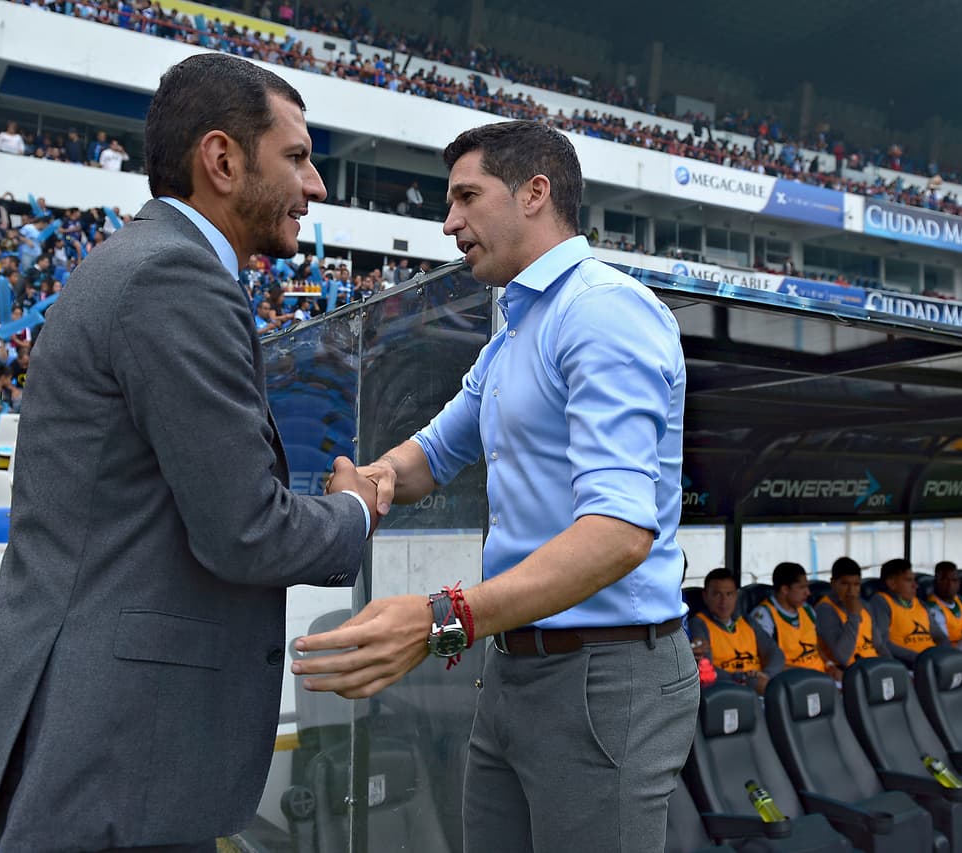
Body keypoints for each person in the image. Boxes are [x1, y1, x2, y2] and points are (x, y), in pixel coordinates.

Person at [0, 53, 379, 853]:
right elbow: (245, 529)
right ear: (223, 161)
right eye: (299, 158)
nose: (316, 188)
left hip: (101, 731)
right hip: (115, 744)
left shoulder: (148, 263)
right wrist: (355, 510)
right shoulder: (178, 277)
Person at [291, 120, 695, 852]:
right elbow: (435, 452)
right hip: (513, 667)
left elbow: (620, 531)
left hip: (603, 674)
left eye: (467, 197)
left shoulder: (601, 312)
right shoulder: (515, 325)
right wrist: (370, 482)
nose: (449, 222)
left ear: (535, 192)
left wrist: (441, 618)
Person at [689, 568, 782, 695]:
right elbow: (706, 667)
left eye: (729, 594)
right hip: (727, 687)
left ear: (736, 595)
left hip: (759, 683)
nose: (724, 601)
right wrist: (741, 677)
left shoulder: (746, 620)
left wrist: (766, 675)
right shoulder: (698, 623)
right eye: (717, 594)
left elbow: (774, 652)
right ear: (705, 596)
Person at [751, 562, 826, 673]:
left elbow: (817, 646)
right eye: (802, 587)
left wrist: (830, 665)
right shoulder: (764, 616)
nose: (808, 593)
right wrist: (804, 674)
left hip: (821, 676)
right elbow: (764, 660)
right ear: (785, 589)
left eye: (807, 587)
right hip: (791, 679)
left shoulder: (807, 610)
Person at [869, 558, 947, 665]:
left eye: (914, 580)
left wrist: (943, 654)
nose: (915, 585)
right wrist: (920, 658)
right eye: (908, 580)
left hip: (931, 661)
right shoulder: (881, 602)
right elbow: (883, 643)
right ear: (892, 583)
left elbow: (940, 637)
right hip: (908, 664)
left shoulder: (920, 604)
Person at [814, 556, 888, 668]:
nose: (851, 591)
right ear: (833, 583)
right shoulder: (825, 609)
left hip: (874, 665)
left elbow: (879, 645)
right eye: (845, 584)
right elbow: (842, 656)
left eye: (856, 584)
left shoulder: (864, 605)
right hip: (850, 671)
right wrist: (853, 616)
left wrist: (894, 665)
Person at [926, 560, 962, 654]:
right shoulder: (932, 607)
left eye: (954, 580)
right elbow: (942, 640)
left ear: (959, 583)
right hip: (951, 651)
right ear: (935, 582)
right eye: (944, 580)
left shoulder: (959, 600)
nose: (949, 584)